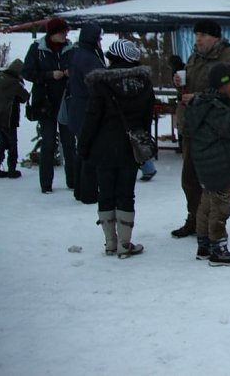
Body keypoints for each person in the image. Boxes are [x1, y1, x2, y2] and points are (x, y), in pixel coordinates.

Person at [78, 40, 154, 258]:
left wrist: (83, 146)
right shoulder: (144, 84)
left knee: (106, 192)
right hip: (131, 147)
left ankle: (110, 242)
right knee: (126, 194)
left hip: (103, 146)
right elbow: (147, 119)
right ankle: (124, 243)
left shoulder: (102, 83)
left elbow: (92, 117)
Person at [170, 19, 230, 238]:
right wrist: (179, 82)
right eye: (196, 35)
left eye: (203, 35)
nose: (198, 39)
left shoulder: (228, 58)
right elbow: (190, 85)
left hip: (213, 128)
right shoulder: (195, 57)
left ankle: (213, 225)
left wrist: (199, 98)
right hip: (192, 124)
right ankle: (194, 218)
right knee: (189, 179)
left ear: (216, 38)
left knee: (215, 181)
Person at [185, 62, 230, 266]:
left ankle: (204, 244)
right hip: (220, 166)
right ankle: (218, 247)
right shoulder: (215, 108)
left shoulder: (204, 103)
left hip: (208, 166)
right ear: (223, 85)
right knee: (220, 209)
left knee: (206, 203)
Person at [22, 17, 77, 194]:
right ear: (53, 33)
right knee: (48, 144)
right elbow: (27, 72)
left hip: (66, 101)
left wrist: (71, 72)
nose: (66, 35)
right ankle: (46, 184)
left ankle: (73, 181)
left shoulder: (71, 48)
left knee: (69, 143)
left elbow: (79, 68)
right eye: (63, 32)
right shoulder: (37, 49)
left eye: (66, 32)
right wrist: (49, 75)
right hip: (46, 103)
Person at [66, 22, 106, 203]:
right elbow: (98, 86)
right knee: (91, 152)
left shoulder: (77, 54)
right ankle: (89, 193)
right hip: (87, 110)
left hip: (76, 108)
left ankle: (79, 189)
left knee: (82, 150)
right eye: (99, 38)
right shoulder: (90, 58)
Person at [0, 59, 30, 178]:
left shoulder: (0, 78)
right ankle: (12, 169)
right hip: (8, 118)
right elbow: (25, 96)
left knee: (1, 142)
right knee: (12, 144)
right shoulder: (14, 83)